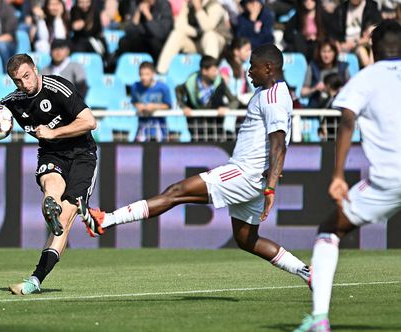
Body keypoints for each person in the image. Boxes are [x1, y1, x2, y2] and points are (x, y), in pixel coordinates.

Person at [79, 44, 312, 288]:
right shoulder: (269, 93)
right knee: (246, 239)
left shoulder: (273, 96)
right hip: (254, 177)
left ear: (268, 67)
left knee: (176, 192)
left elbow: (278, 144)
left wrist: (271, 188)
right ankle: (306, 272)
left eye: (253, 66)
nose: (248, 71)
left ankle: (105, 220)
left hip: (246, 173)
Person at [294, 20, 401, 332]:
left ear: (371, 47)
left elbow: (346, 120)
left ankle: (319, 320)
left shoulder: (365, 78)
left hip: (390, 179)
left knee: (329, 229)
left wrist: (338, 174)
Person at [0, 54, 98, 295]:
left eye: (27, 76)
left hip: (83, 155)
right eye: (17, 81)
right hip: (51, 154)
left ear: (35, 69)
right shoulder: (15, 101)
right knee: (51, 186)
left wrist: (54, 132)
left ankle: (36, 278)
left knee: (65, 219)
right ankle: (50, 203)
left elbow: (90, 121)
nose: (24, 84)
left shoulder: (58, 87)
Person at [156, 0, 231, 74]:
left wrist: (198, 9)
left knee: (209, 35)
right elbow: (179, 26)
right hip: (197, 42)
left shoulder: (214, 5)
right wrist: (197, 32)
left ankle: (210, 71)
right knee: (176, 34)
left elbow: (208, 27)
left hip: (217, 43)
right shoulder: (188, 5)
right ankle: (161, 72)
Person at [176, 55, 238, 141]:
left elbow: (234, 101)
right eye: (214, 70)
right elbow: (178, 91)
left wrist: (227, 108)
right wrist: (183, 107)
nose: (217, 73)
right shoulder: (190, 83)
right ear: (204, 71)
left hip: (215, 130)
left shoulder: (220, 83)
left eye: (217, 70)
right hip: (196, 130)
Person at [112, 0, 173, 64]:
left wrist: (148, 15)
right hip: (141, 41)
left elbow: (161, 34)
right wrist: (137, 14)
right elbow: (129, 32)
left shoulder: (164, 5)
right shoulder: (136, 3)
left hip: (157, 44)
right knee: (124, 42)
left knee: (154, 43)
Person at [301, 39, 350, 108]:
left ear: (335, 53)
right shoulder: (313, 66)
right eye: (324, 52)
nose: (326, 55)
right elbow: (303, 93)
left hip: (339, 106)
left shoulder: (343, 67)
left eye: (329, 51)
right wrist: (315, 88)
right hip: (317, 107)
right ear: (319, 53)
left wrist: (340, 90)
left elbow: (351, 89)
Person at [131, 61, 172, 142]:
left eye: (147, 74)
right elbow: (134, 101)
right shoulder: (135, 86)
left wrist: (154, 107)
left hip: (159, 126)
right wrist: (139, 106)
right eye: (141, 74)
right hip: (143, 126)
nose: (143, 77)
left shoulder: (163, 88)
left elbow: (168, 105)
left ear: (153, 74)